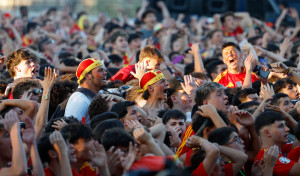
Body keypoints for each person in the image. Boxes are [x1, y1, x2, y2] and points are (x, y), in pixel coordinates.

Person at [254, 111, 300, 176]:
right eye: (281, 126)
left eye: (285, 125)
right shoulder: (268, 157)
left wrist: (288, 117)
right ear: (267, 133)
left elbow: (298, 143)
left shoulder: (278, 148)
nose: (287, 129)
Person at [64, 58, 107, 125]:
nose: (105, 73)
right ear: (87, 76)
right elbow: (72, 130)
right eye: (100, 70)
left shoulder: (101, 93)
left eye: (104, 70)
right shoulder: (78, 100)